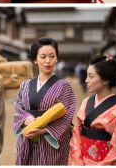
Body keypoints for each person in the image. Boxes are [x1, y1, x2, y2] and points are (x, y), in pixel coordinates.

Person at [14, 37, 76, 165]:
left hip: (51, 145)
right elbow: (18, 108)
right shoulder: (25, 85)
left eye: (52, 56)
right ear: (35, 59)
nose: (48, 61)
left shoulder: (64, 86)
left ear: (57, 58)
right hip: (28, 138)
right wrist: (26, 119)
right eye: (43, 57)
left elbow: (68, 115)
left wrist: (44, 130)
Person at [69, 55, 116, 165]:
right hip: (82, 161)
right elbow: (76, 133)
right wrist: (78, 161)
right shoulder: (86, 102)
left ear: (105, 80)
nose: (86, 80)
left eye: (91, 76)